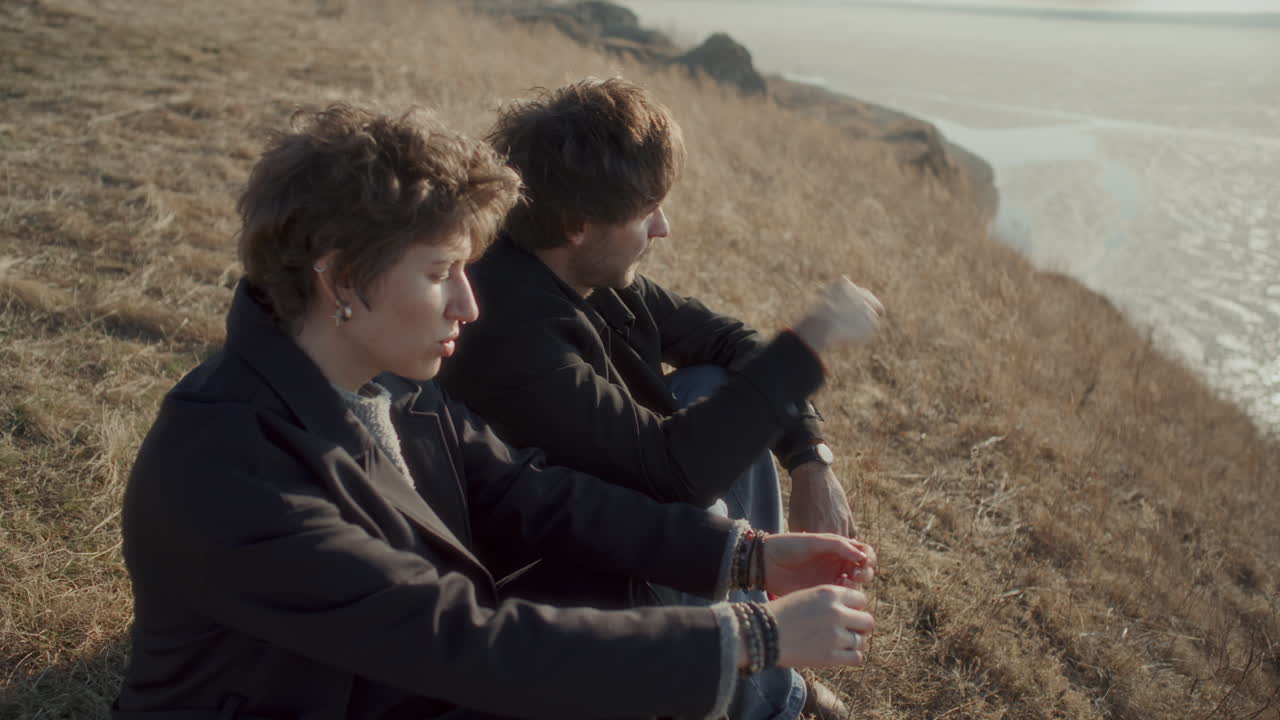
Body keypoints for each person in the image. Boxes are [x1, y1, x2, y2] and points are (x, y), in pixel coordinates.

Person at [112, 105, 878, 720]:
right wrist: (754, 631)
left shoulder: (386, 382)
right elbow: (460, 640)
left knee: (618, 604)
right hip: (344, 692)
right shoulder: (226, 469)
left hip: (390, 679)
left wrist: (748, 558)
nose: (469, 304)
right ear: (342, 279)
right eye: (442, 273)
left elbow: (532, 495)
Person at [437, 78, 885, 719]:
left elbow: (731, 343)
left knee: (722, 388)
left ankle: (759, 666)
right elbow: (673, 474)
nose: (664, 227)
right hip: (539, 579)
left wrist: (810, 456)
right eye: (648, 209)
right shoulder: (510, 329)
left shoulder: (584, 270)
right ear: (576, 224)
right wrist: (811, 340)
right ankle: (768, 690)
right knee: (706, 468)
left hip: (609, 529)